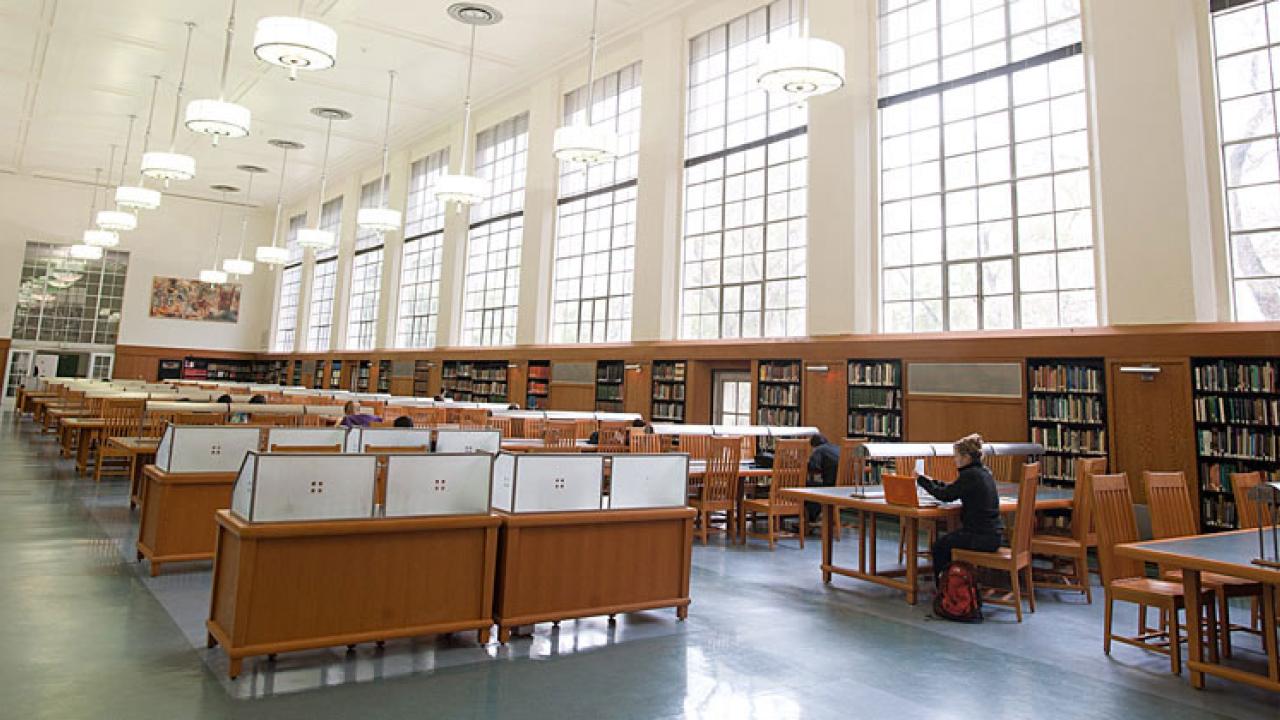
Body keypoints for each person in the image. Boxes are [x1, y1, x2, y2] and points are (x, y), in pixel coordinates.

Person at [916, 433, 1003, 581]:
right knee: (950, 540)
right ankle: (954, 579)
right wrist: (930, 481)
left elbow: (945, 495)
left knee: (939, 546)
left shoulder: (970, 475)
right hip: (993, 535)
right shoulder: (984, 472)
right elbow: (952, 488)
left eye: (956, 456)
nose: (954, 460)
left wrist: (921, 480)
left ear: (966, 457)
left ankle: (944, 585)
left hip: (979, 537)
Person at [804, 434, 840, 525]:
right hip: (843, 488)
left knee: (805, 488)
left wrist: (805, 463)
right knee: (813, 486)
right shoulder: (837, 447)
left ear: (814, 445)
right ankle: (819, 516)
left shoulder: (819, 449)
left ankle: (812, 518)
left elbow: (813, 467)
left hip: (830, 488)